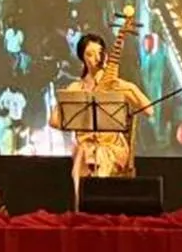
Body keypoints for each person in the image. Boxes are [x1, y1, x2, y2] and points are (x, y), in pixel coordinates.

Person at [49, 33, 152, 204]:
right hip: (86, 148)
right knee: (83, 152)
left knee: (100, 153)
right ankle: (82, 207)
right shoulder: (76, 87)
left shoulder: (117, 85)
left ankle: (97, 206)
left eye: (99, 53)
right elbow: (54, 121)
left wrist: (127, 87)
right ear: (82, 58)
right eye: (89, 54)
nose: (96, 58)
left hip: (113, 147)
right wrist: (73, 111)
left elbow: (149, 110)